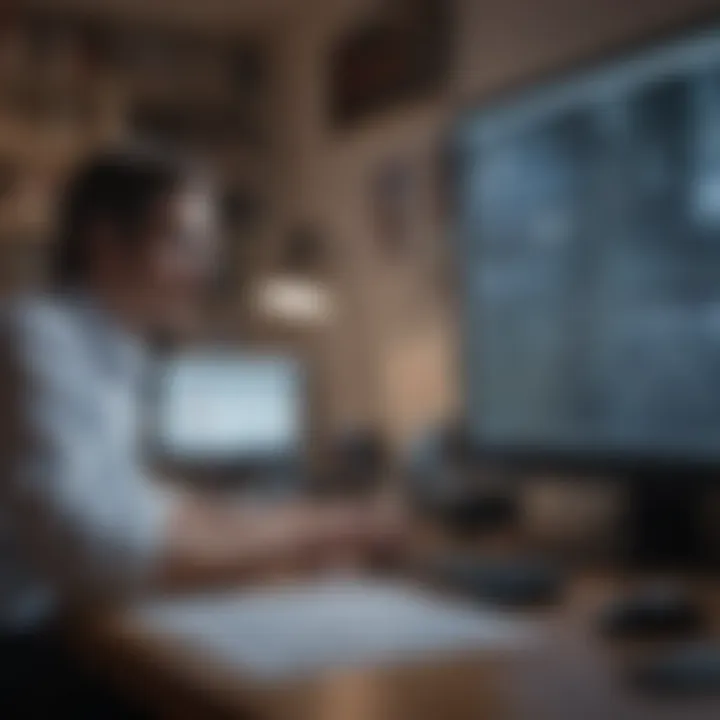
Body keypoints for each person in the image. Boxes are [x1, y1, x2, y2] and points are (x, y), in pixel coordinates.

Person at [0, 149, 400, 717]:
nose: (207, 269)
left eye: (209, 247)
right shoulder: (35, 337)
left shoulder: (117, 357)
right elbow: (94, 548)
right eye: (186, 243)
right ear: (107, 243)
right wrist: (310, 538)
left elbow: (143, 508)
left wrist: (319, 523)